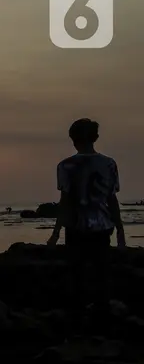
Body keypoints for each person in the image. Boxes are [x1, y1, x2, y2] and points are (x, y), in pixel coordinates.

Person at [47, 118, 125, 321]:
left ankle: (78, 317)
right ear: (96, 137)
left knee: (76, 273)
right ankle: (102, 315)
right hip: (102, 226)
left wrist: (55, 234)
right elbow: (112, 200)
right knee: (101, 274)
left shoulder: (65, 166)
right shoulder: (109, 163)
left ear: (72, 139)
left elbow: (64, 202)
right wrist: (121, 235)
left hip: (76, 226)